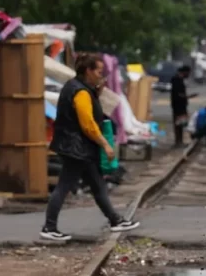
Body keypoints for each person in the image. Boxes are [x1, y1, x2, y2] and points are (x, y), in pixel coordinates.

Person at [42, 53, 140, 242]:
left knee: (97, 184)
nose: (101, 75)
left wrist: (98, 92)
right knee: (64, 186)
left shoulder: (79, 88)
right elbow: (87, 124)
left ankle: (115, 220)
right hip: (76, 148)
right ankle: (49, 227)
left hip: (78, 147)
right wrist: (105, 144)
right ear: (88, 71)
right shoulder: (80, 92)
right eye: (99, 71)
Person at [171, 65, 192, 147]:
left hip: (181, 105)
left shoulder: (179, 79)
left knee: (181, 124)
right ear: (185, 72)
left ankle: (180, 141)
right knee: (178, 124)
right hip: (178, 106)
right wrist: (188, 97)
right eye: (188, 73)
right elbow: (178, 94)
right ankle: (178, 142)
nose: (189, 75)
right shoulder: (176, 80)